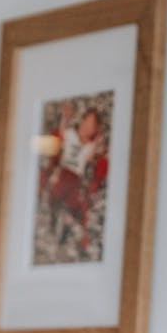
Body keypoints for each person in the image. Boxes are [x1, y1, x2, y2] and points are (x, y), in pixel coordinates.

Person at [44, 103, 106, 250]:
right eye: (86, 123)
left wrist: (96, 144)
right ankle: (54, 220)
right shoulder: (71, 134)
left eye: (92, 127)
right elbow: (61, 132)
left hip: (76, 178)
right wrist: (65, 117)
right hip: (64, 172)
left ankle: (65, 227)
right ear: (81, 121)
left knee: (74, 204)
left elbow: (89, 158)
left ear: (95, 131)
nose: (87, 128)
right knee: (56, 194)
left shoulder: (89, 146)